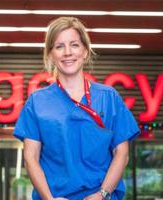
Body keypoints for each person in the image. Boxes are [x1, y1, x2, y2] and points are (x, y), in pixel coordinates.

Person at [13, 17, 140, 200]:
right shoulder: (37, 102)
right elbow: (31, 158)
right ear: (50, 54)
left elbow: (122, 153)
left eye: (74, 45)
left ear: (85, 52)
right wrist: (49, 199)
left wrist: (102, 194)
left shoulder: (108, 97)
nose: (67, 53)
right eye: (59, 46)